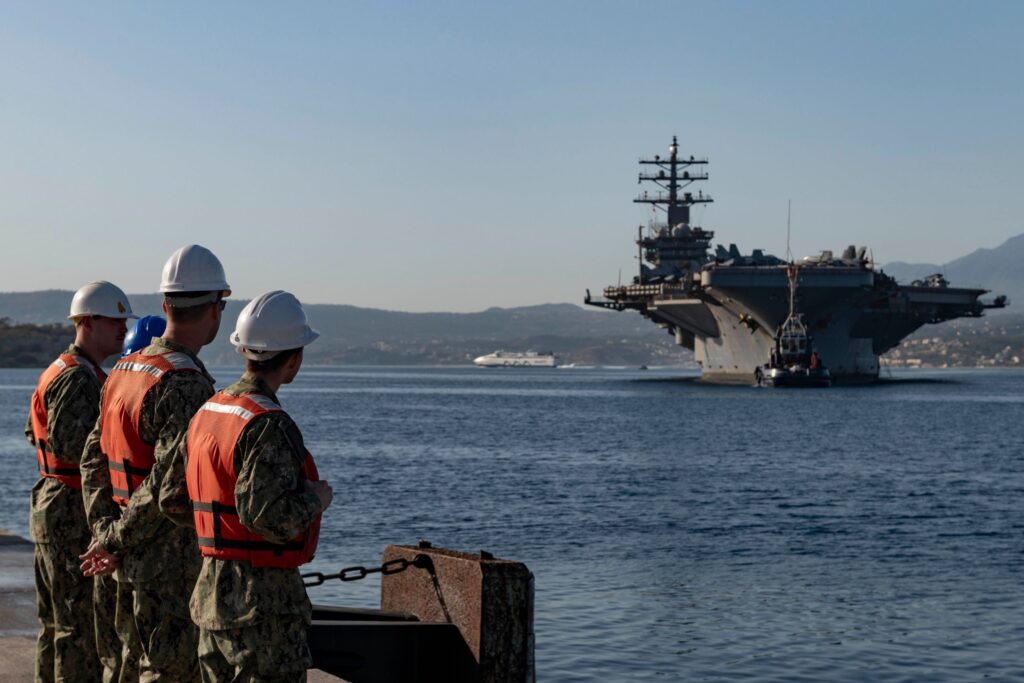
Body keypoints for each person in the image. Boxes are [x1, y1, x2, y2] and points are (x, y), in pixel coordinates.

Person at [79, 244, 230, 681]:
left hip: (120, 557)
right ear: (217, 310)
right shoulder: (185, 382)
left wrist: (104, 530)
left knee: (123, 668)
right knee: (166, 673)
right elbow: (166, 486)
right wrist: (115, 541)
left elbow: (93, 458)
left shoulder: (126, 369)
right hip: (164, 565)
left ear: (165, 305)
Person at [182, 290, 332, 682]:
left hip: (212, 593)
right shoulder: (268, 424)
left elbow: (173, 498)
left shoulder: (209, 410)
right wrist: (316, 499)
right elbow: (267, 517)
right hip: (260, 607)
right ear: (294, 358)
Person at [25, 281, 137, 683]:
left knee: (56, 624)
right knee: (78, 627)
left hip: (53, 502)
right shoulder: (78, 379)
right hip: (70, 508)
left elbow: (34, 433)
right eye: (115, 321)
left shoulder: (63, 369)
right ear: (88, 322)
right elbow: (71, 444)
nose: (123, 329)